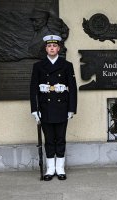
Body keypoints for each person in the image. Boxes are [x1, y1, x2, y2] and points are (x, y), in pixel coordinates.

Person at [30, 34, 77, 181]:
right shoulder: (38, 66)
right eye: (49, 46)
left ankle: (60, 168)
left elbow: (73, 89)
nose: (52, 48)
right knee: (49, 139)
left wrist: (71, 109)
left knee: (60, 139)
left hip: (62, 108)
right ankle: (50, 169)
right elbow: (33, 89)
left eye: (54, 46)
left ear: (58, 48)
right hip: (45, 109)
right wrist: (34, 109)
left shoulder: (67, 65)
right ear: (46, 49)